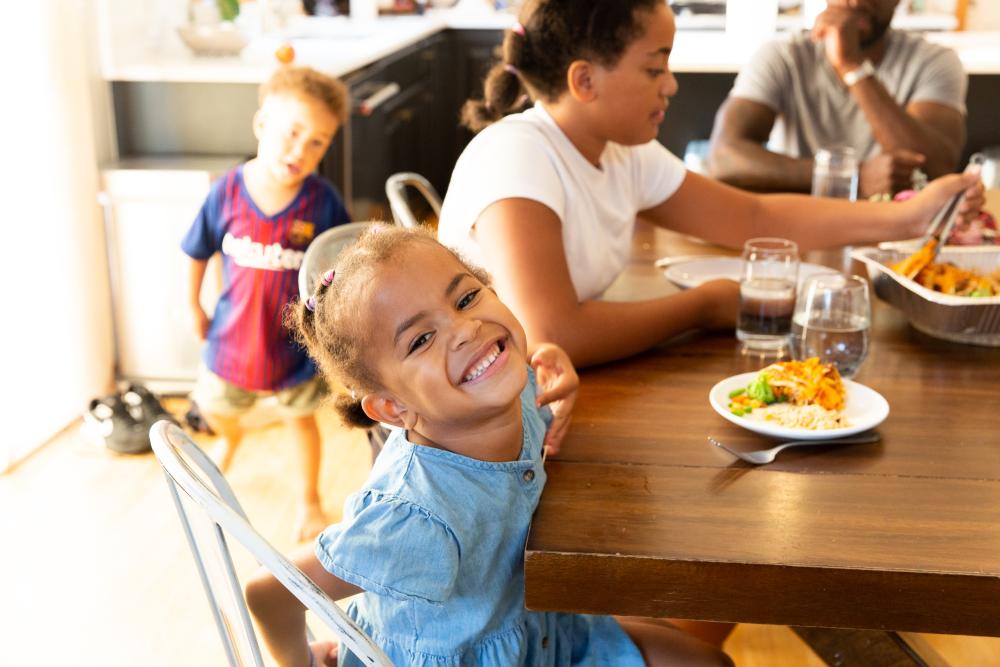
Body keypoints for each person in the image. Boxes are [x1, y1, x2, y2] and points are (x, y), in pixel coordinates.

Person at [244, 225, 733, 667]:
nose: (466, 331)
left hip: (540, 633)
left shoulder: (513, 387)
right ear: (394, 410)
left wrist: (553, 367)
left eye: (466, 299)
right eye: (420, 340)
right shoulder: (415, 516)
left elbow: (527, 373)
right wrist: (302, 662)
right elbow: (270, 590)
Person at [437, 0, 981, 371]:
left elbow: (754, 218)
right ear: (584, 81)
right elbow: (555, 332)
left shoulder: (623, 153)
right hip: (469, 435)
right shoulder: (519, 156)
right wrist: (703, 307)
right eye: (655, 68)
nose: (671, 85)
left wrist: (913, 215)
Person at [182, 66, 351, 542]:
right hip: (232, 337)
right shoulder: (227, 192)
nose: (301, 150)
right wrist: (193, 305)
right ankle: (234, 436)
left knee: (301, 421)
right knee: (216, 409)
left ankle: (309, 500)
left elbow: (339, 262)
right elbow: (197, 250)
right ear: (262, 125)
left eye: (317, 142)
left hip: (293, 345)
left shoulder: (322, 203)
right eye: (292, 132)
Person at [707, 0, 968, 198]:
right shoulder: (783, 55)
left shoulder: (935, 61)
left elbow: (936, 168)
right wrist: (853, 176)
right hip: (796, 224)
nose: (855, 3)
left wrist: (852, 67)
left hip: (895, 236)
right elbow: (723, 158)